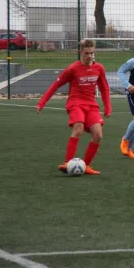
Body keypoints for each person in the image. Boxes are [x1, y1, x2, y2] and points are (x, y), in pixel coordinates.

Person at [36, 39, 111, 175]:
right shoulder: (73, 69)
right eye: (87, 53)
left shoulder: (99, 68)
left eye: (92, 53)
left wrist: (108, 108)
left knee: (98, 135)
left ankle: (87, 166)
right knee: (79, 128)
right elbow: (55, 85)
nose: (89, 56)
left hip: (91, 105)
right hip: (75, 103)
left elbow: (104, 88)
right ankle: (67, 162)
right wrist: (42, 103)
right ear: (80, 52)